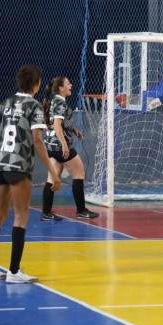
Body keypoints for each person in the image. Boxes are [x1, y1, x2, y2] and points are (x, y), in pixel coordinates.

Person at [0, 65, 62, 283]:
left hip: (0, 165)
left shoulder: (5, 103)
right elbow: (36, 139)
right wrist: (52, 171)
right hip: (19, 166)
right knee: (21, 217)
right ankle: (14, 272)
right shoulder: (33, 106)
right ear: (36, 84)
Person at [40, 76, 99, 220]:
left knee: (52, 179)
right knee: (79, 174)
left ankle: (46, 213)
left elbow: (59, 122)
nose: (71, 85)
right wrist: (65, 145)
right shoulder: (60, 103)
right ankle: (81, 210)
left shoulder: (54, 101)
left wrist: (73, 130)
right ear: (61, 88)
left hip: (51, 145)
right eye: (68, 83)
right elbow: (57, 125)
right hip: (60, 146)